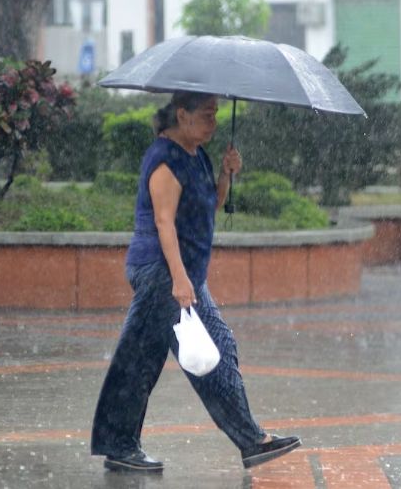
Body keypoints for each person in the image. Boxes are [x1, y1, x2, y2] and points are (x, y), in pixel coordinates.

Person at [90, 91, 301, 473]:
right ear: (182, 115)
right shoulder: (165, 159)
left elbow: (211, 203)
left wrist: (225, 173)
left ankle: (119, 445)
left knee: (140, 359)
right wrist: (180, 281)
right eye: (207, 114)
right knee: (210, 356)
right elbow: (163, 222)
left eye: (217, 114)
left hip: (181, 274)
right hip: (162, 271)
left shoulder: (196, 154)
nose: (214, 121)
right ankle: (251, 440)